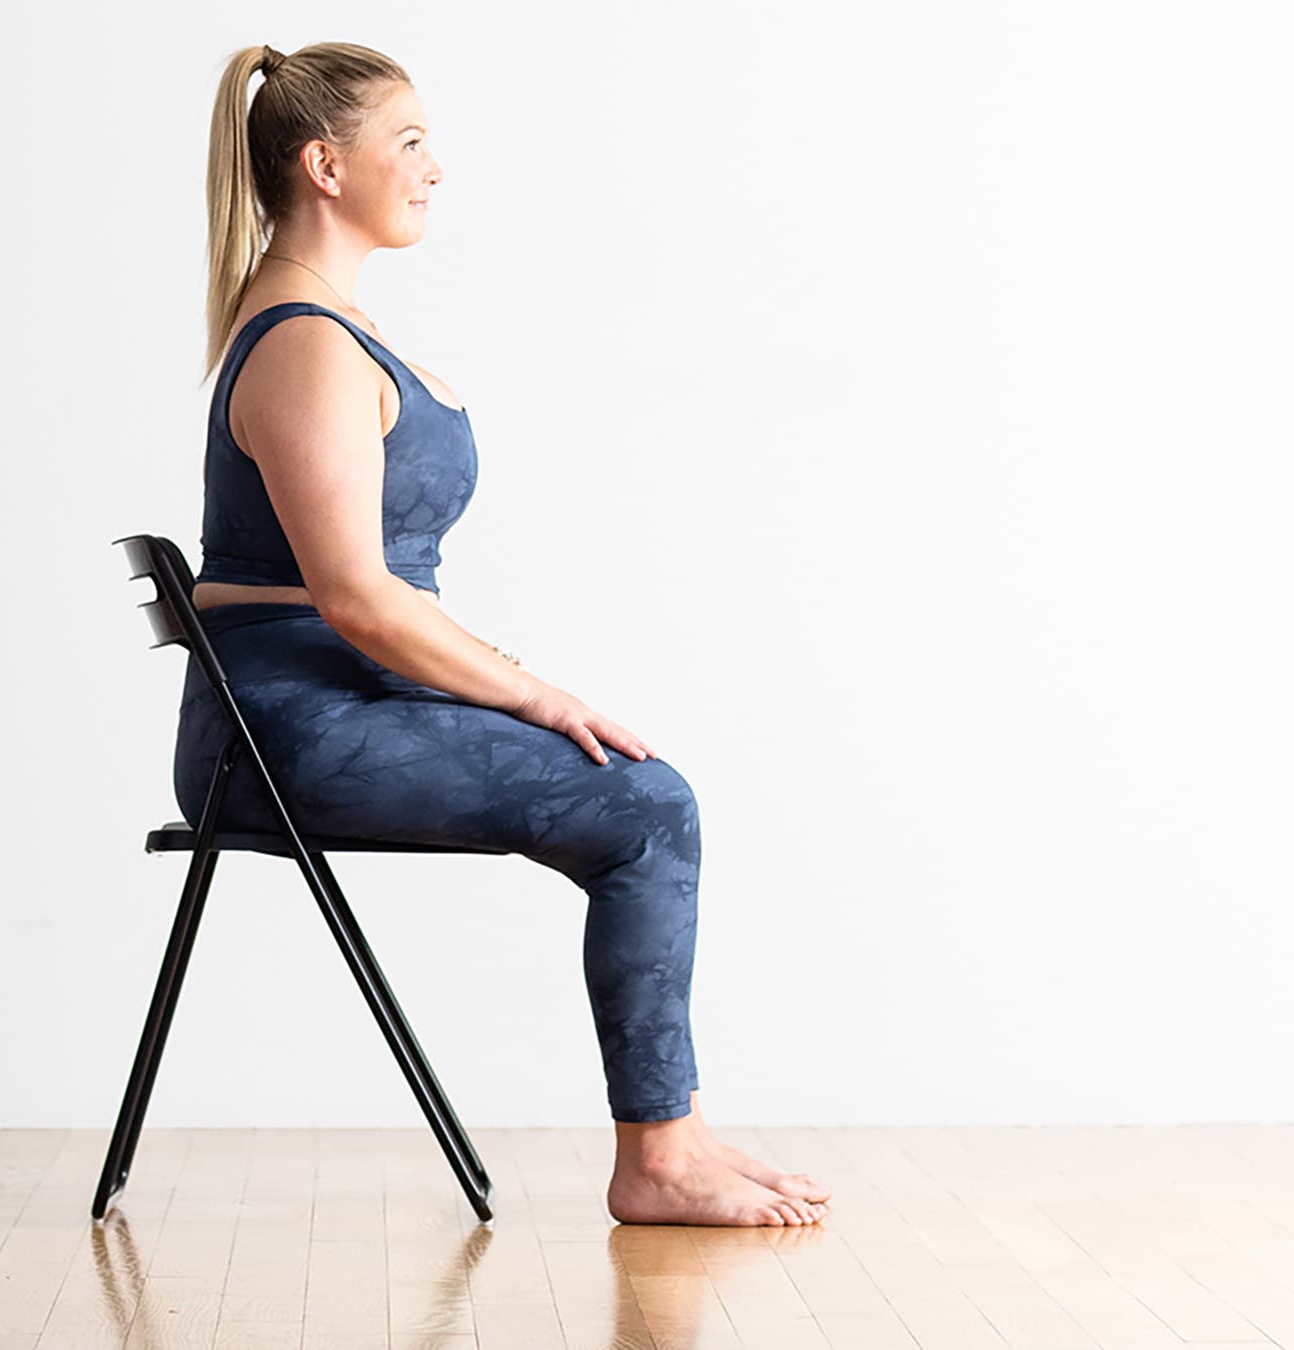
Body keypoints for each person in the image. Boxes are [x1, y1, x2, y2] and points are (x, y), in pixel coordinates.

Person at [177, 41, 833, 1228]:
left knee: (644, 797)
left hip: (334, 695)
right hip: (294, 727)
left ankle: (672, 1129)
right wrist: (533, 693)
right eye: (410, 141)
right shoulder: (305, 344)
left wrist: (511, 687)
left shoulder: (320, 325)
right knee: (649, 803)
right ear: (326, 166)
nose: (436, 166)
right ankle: (658, 1157)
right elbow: (358, 600)